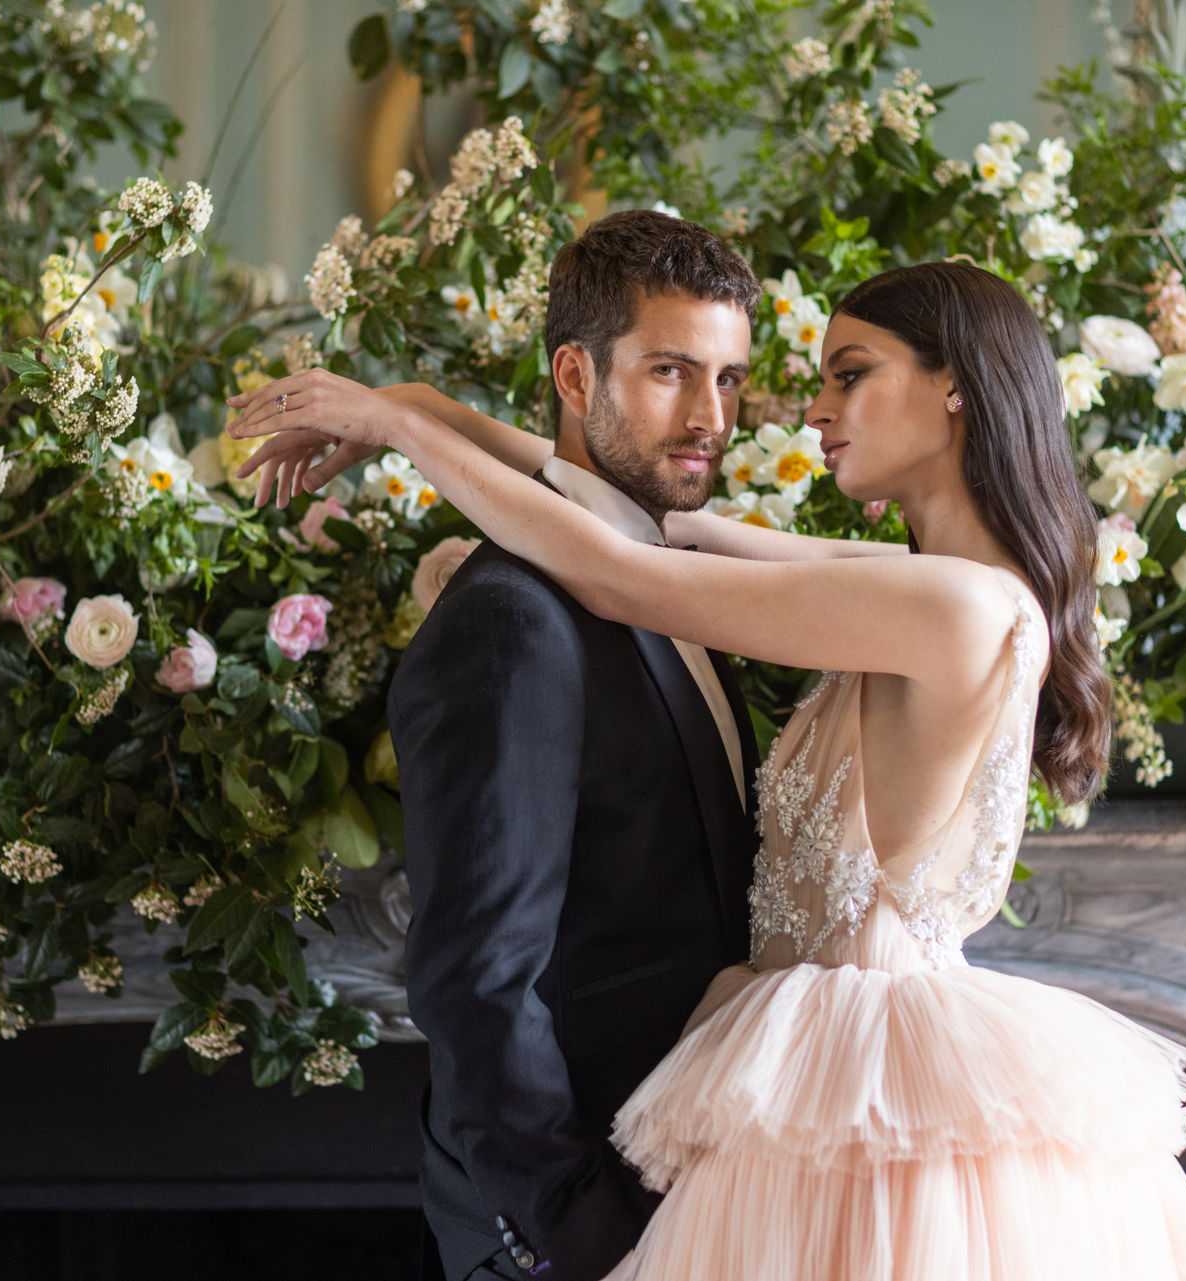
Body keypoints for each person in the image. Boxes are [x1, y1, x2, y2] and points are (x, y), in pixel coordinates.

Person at [227, 258, 1186, 1279]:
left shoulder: (956, 609)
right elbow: (652, 522)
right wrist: (412, 405)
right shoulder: (936, 586)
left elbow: (625, 572)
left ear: (956, 387)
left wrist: (400, 434)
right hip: (804, 1069)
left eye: (852, 375)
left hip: (853, 1092)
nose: (814, 408)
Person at [319, 211, 766, 1281]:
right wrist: (582, 1231)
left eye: (731, 379)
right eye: (670, 371)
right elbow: (478, 979)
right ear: (577, 375)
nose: (710, 416)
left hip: (695, 1198)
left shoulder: (679, 572)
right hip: (568, 1235)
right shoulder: (512, 622)